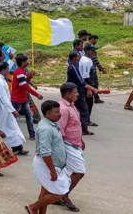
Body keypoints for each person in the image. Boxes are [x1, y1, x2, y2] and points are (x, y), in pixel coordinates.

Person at [26, 100, 71, 214]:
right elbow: (45, 153)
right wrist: (52, 171)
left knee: (46, 191)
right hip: (47, 164)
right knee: (59, 192)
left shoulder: (52, 124)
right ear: (47, 113)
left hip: (56, 164)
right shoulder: (45, 129)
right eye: (56, 112)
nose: (59, 114)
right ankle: (34, 207)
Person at [57, 82, 86, 212]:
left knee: (64, 172)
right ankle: (63, 195)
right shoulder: (63, 109)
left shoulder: (71, 105)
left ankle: (59, 194)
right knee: (79, 171)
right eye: (75, 92)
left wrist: (80, 140)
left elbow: (75, 125)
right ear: (68, 94)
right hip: (67, 144)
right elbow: (60, 130)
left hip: (75, 144)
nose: (77, 94)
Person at [0, 62, 27, 155]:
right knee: (4, 128)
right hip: (1, 109)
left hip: (6, 108)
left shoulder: (0, 79)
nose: (8, 71)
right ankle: (4, 149)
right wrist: (13, 110)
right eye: (7, 69)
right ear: (3, 70)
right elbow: (3, 97)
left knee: (12, 127)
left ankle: (18, 147)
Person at [12, 55, 44, 140]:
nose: (28, 62)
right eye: (26, 61)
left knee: (29, 116)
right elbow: (25, 86)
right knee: (13, 118)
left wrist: (30, 76)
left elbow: (25, 81)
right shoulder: (19, 72)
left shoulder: (22, 71)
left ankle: (32, 135)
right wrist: (37, 95)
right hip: (17, 99)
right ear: (22, 63)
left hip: (22, 99)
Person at [67, 52, 97, 135]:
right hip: (75, 91)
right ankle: (83, 129)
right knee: (84, 109)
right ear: (73, 58)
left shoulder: (74, 66)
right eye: (77, 57)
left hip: (73, 91)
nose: (79, 58)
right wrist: (92, 88)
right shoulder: (72, 68)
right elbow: (81, 81)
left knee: (75, 109)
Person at [79, 44, 99, 129]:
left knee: (88, 104)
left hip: (89, 85)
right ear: (86, 51)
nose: (93, 52)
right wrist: (89, 89)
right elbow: (85, 77)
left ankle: (86, 120)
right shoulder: (86, 61)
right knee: (87, 104)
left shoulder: (88, 59)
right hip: (86, 86)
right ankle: (85, 122)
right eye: (91, 50)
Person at [87, 35, 105, 104]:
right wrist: (100, 68)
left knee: (92, 82)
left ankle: (95, 96)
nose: (96, 41)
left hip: (90, 67)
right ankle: (95, 97)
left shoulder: (87, 46)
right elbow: (94, 58)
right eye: (95, 40)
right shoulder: (91, 48)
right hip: (92, 68)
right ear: (91, 39)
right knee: (94, 83)